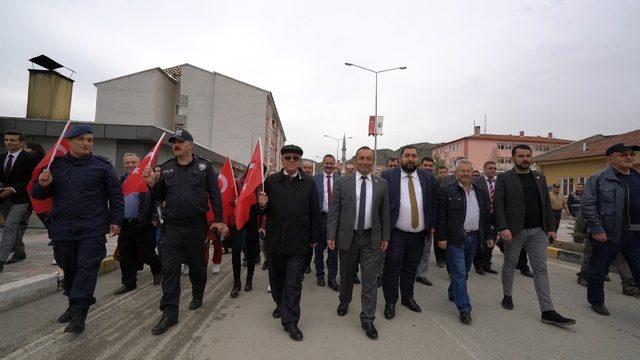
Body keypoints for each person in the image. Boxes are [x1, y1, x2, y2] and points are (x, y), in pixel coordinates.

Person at [31, 125, 124, 334]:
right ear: (70, 142)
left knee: (87, 268)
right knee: (70, 267)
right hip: (63, 228)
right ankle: (73, 304)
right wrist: (43, 184)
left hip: (92, 227)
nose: (86, 143)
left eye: (90, 140)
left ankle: (79, 314)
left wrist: (117, 220)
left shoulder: (102, 166)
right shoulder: (56, 166)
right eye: (81, 139)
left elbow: (115, 195)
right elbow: (38, 195)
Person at [143, 128, 226, 335]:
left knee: (197, 266)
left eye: (180, 141)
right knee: (170, 269)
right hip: (172, 227)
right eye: (174, 142)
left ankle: (198, 293)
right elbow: (159, 196)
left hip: (196, 227)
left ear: (190, 144)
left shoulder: (204, 167)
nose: (176, 145)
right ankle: (170, 313)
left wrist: (218, 220)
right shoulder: (167, 168)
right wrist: (153, 184)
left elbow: (215, 194)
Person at [495, 144, 575, 326]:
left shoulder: (539, 177)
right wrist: (503, 227)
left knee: (540, 269)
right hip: (515, 231)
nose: (525, 159)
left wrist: (551, 228)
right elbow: (498, 204)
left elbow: (545, 204)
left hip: (538, 231)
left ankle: (547, 310)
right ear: (513, 158)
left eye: (528, 156)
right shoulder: (504, 178)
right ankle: (507, 295)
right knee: (510, 264)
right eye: (521, 156)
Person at [257, 144, 320, 341]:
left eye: (295, 158)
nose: (291, 161)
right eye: (288, 158)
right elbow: (262, 212)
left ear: (300, 160)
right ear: (282, 159)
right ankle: (279, 303)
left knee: (293, 282)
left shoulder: (309, 183)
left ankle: (291, 321)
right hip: (275, 241)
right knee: (277, 280)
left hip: (298, 242)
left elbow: (314, 212)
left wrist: (314, 238)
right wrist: (262, 205)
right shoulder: (271, 181)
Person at [327, 146, 390, 340]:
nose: (364, 161)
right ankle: (344, 301)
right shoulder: (342, 182)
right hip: (348, 237)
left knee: (370, 279)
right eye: (361, 158)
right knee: (346, 275)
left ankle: (368, 318)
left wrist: (385, 237)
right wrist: (331, 235)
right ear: (355, 160)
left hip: (371, 238)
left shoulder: (382, 183)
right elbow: (334, 210)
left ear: (372, 161)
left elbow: (384, 213)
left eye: (368, 158)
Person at [581, 143, 640, 316]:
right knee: (598, 270)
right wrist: (597, 229)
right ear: (610, 158)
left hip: (635, 235)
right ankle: (596, 301)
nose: (629, 157)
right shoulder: (597, 179)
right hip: (608, 234)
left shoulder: (637, 177)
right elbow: (588, 206)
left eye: (631, 154)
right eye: (623, 154)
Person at [380, 145, 438, 319]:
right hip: (397, 233)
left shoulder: (428, 178)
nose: (410, 159)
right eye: (407, 156)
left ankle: (407, 297)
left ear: (418, 159)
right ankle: (391, 301)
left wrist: (432, 225)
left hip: (419, 234)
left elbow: (433, 203)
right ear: (400, 158)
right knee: (393, 267)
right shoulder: (388, 176)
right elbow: (382, 205)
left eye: (414, 156)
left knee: (411, 267)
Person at [437, 160, 494, 324]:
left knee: (465, 271)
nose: (466, 174)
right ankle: (464, 308)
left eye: (469, 171)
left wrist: (490, 235)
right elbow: (441, 217)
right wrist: (441, 238)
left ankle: (452, 291)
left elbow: (487, 216)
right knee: (460, 273)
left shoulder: (481, 192)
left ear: (473, 173)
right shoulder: (447, 191)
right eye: (462, 171)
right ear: (456, 173)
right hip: (455, 239)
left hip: (474, 238)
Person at [114, 153, 162, 295]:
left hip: (145, 223)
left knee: (147, 253)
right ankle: (129, 283)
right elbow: (115, 202)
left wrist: (155, 217)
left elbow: (157, 200)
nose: (130, 165)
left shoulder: (147, 180)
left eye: (133, 162)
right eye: (127, 162)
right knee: (126, 254)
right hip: (126, 223)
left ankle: (157, 268)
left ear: (139, 163)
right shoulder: (121, 180)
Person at [0, 131, 38, 271]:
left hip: (21, 198)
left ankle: (1, 259)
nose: (9, 142)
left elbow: (33, 179)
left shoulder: (29, 158)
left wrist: (14, 189)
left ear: (21, 142)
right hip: (4, 198)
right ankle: (20, 251)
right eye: (6, 140)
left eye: (13, 140)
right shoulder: (2, 157)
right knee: (13, 226)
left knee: (10, 225)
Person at [313, 154, 340, 291]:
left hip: (335, 220)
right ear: (323, 164)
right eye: (327, 163)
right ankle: (319, 275)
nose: (329, 165)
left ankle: (332, 278)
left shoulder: (341, 180)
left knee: (333, 251)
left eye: (331, 163)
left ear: (335, 164)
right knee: (318, 249)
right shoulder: (315, 179)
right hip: (320, 219)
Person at [472, 161, 498, 275]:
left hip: (495, 216)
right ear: (484, 169)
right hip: (482, 216)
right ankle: (478, 265)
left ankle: (487, 264)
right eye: (490, 168)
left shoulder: (498, 183)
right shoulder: (477, 182)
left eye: (494, 168)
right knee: (481, 241)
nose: (492, 170)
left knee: (491, 240)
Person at [416, 156, 437, 286]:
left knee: (425, 250)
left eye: (430, 166)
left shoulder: (434, 181)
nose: (428, 168)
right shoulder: (415, 180)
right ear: (421, 166)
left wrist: (433, 224)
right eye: (426, 165)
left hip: (428, 223)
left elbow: (436, 204)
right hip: (413, 223)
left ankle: (421, 274)